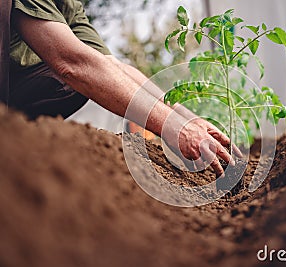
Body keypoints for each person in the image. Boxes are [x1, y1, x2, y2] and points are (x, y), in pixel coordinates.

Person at [1, 0, 242, 176]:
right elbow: (71, 62)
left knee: (93, 73)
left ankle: (17, 143)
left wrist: (187, 119)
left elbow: (111, 66)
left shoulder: (69, 6)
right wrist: (172, 127)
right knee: (81, 73)